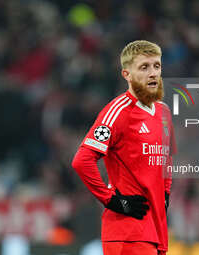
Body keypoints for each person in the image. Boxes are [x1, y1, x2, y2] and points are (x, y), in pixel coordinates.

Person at [72, 40, 176, 255]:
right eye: (144, 67)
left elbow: (166, 158)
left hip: (155, 230)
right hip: (128, 233)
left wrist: (165, 192)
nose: (153, 73)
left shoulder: (163, 112)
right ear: (127, 74)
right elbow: (82, 160)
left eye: (156, 66)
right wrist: (112, 201)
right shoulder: (117, 112)